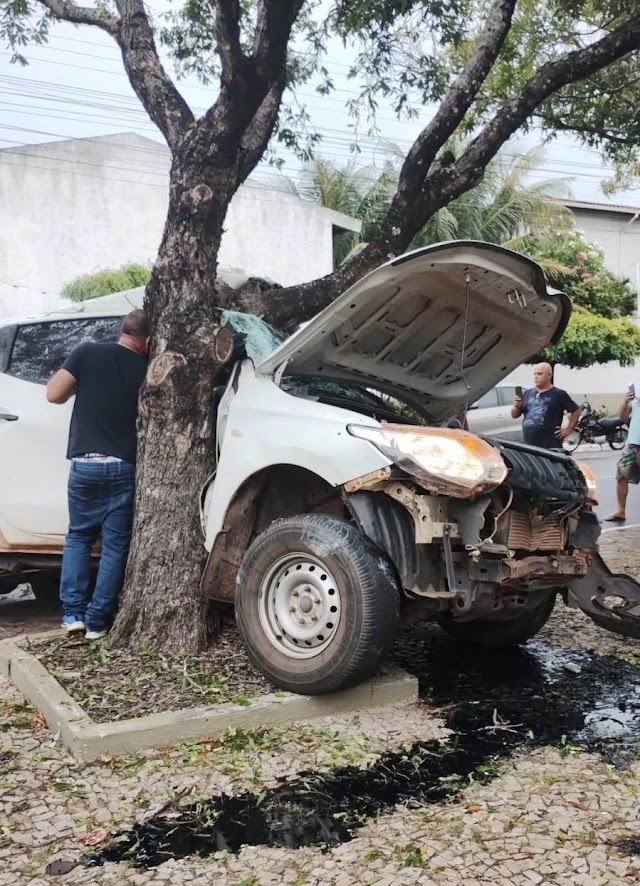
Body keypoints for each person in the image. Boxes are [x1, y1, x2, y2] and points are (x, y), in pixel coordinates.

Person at [46, 310, 150, 639]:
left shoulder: (87, 352)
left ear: (122, 331)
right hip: (121, 465)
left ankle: (73, 615)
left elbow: (54, 394)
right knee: (115, 548)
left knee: (78, 537)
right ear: (147, 341)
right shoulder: (146, 369)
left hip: (85, 463)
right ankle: (97, 622)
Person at [511, 363, 580, 450]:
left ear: (549, 375)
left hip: (550, 446)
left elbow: (576, 411)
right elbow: (514, 415)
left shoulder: (558, 394)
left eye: (539, 374)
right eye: (534, 374)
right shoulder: (527, 393)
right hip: (529, 445)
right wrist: (516, 407)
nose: (536, 377)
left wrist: (568, 430)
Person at [604, 388, 640, 522]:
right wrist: (626, 402)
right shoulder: (636, 395)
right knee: (621, 474)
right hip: (632, 444)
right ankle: (621, 511)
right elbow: (622, 417)